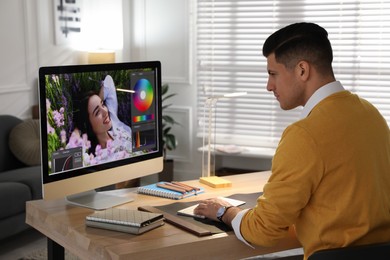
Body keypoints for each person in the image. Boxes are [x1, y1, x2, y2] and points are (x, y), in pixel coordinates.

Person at [194, 22, 390, 259]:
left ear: (302, 70)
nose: (269, 86)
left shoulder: (304, 135)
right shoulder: (370, 113)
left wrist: (225, 210)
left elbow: (263, 231)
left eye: (273, 74)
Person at [79, 75, 132, 162]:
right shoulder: (96, 159)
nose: (105, 111)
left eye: (103, 104)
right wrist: (77, 130)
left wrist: (96, 101)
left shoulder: (115, 123)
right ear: (89, 125)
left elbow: (109, 81)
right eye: (97, 112)